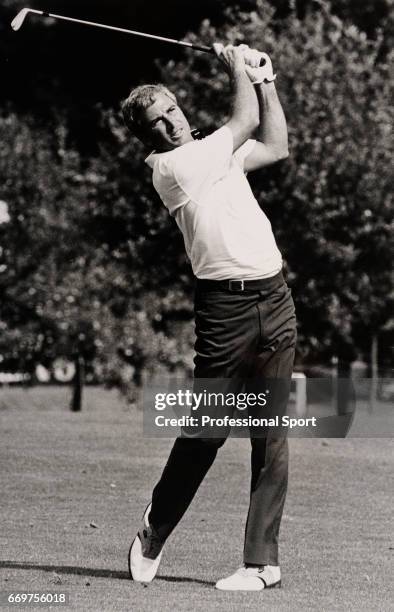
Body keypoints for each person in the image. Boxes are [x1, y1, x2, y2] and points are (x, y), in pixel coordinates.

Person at [121, 44, 297, 591]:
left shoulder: (212, 153)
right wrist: (236, 66)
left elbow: (274, 144)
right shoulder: (173, 167)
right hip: (226, 310)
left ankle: (261, 563)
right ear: (148, 137)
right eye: (157, 122)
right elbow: (243, 120)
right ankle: (155, 529)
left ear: (180, 107)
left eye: (171, 110)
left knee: (270, 431)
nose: (170, 124)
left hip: (275, 296)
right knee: (208, 431)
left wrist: (265, 80)